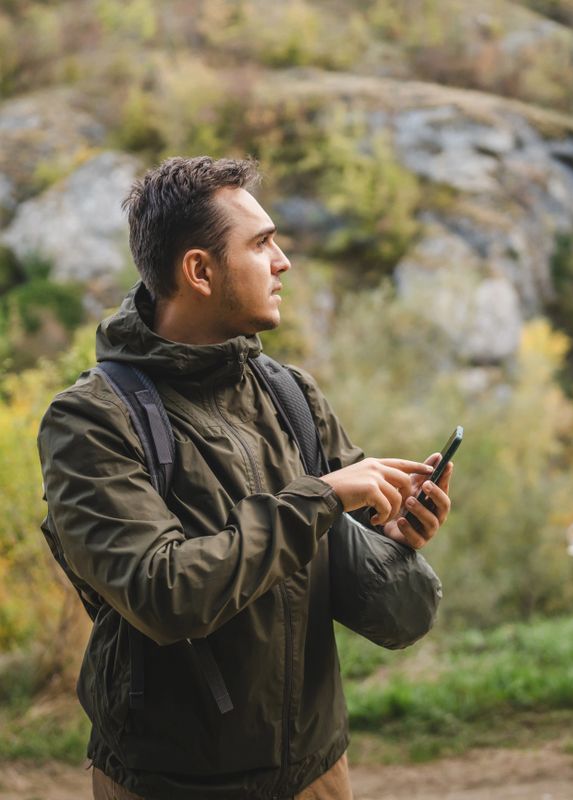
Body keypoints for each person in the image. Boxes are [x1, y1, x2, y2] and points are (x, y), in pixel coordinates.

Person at [37, 156, 453, 800]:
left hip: (316, 774)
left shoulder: (290, 395)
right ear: (199, 271)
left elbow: (392, 618)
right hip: (169, 785)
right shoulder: (91, 420)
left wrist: (393, 542)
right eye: (261, 244)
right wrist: (319, 499)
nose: (283, 262)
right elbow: (162, 593)